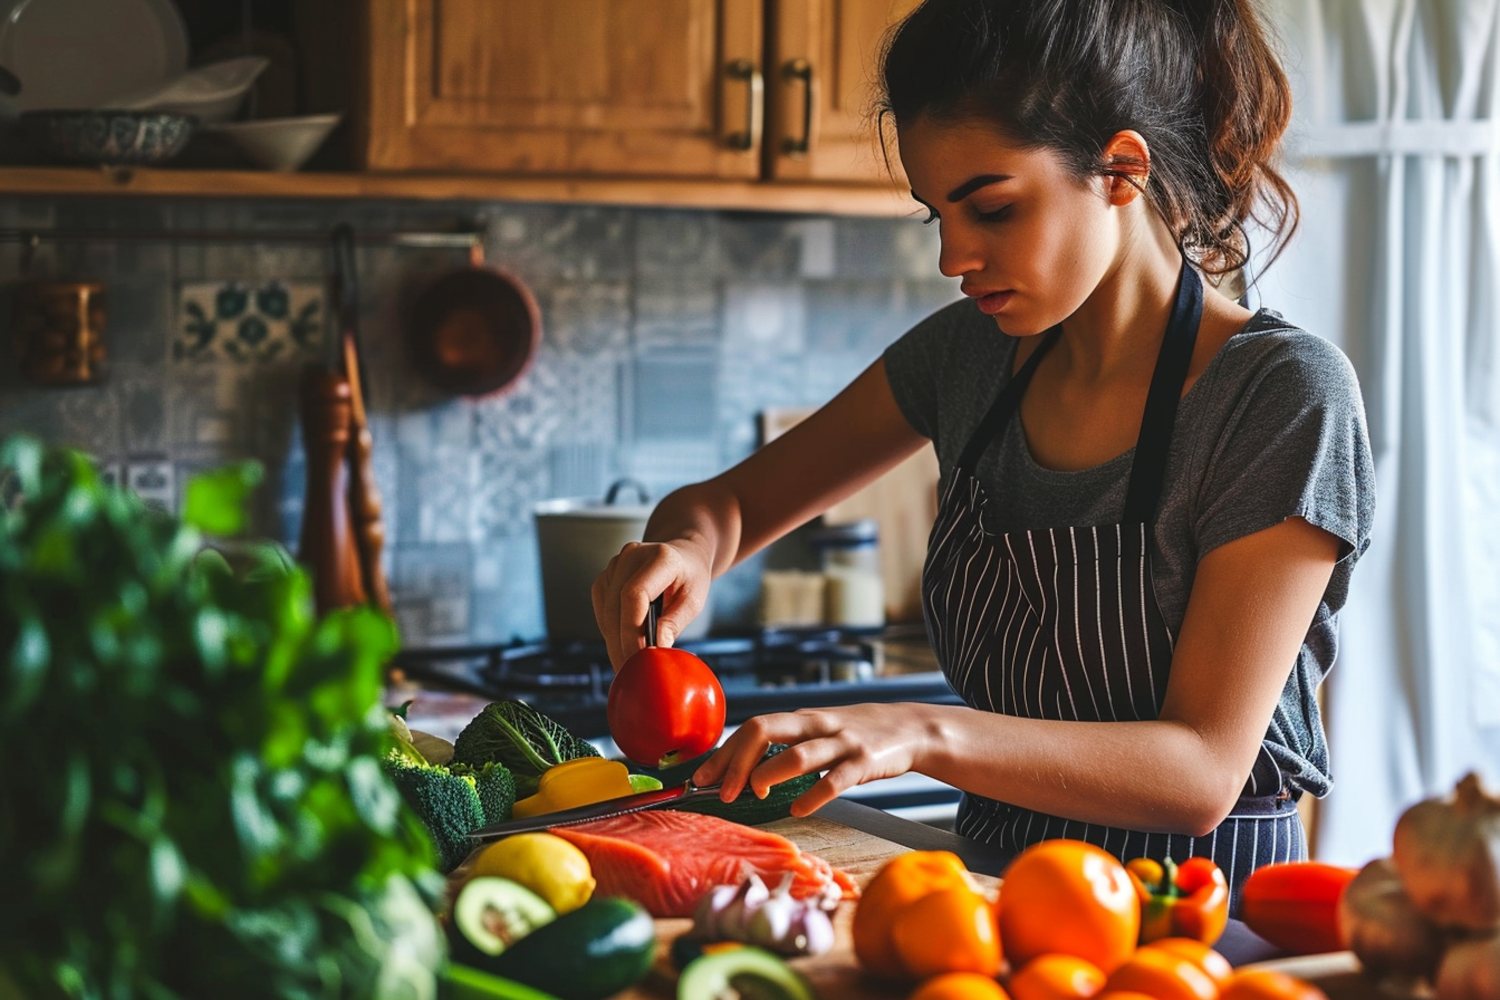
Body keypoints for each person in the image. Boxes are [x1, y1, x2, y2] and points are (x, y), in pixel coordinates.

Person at [591, 0, 1374, 908]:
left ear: (1121, 171)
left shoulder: (1279, 394)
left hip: (1201, 922)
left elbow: (1197, 771)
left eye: (993, 210)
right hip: (988, 907)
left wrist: (915, 733)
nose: (955, 258)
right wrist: (687, 547)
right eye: (937, 217)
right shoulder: (966, 359)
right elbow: (725, 509)